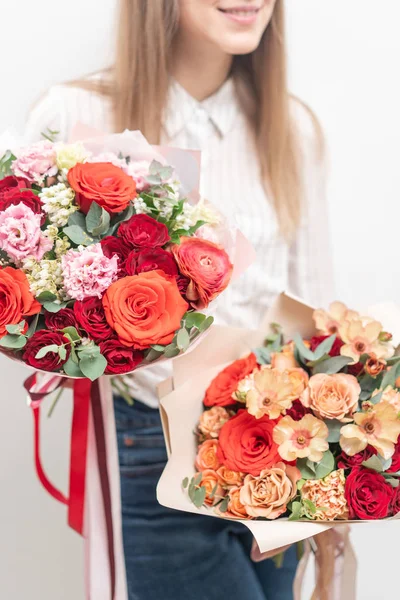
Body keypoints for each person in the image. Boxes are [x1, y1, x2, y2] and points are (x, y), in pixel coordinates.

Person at [25, 1, 333, 598]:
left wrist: (327, 489)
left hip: (274, 453)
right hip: (153, 452)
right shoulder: (77, 113)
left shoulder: (289, 128)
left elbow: (313, 307)